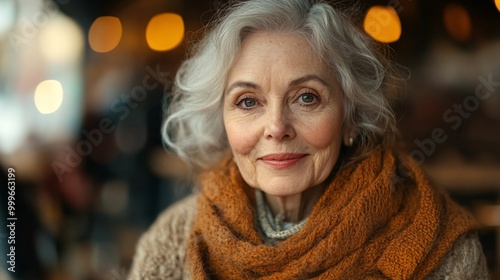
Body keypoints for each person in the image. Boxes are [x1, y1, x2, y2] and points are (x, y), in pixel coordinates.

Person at [129, 0, 488, 278]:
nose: (277, 126)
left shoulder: (440, 249)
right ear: (222, 121)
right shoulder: (175, 238)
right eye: (248, 101)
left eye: (306, 97)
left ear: (350, 118)